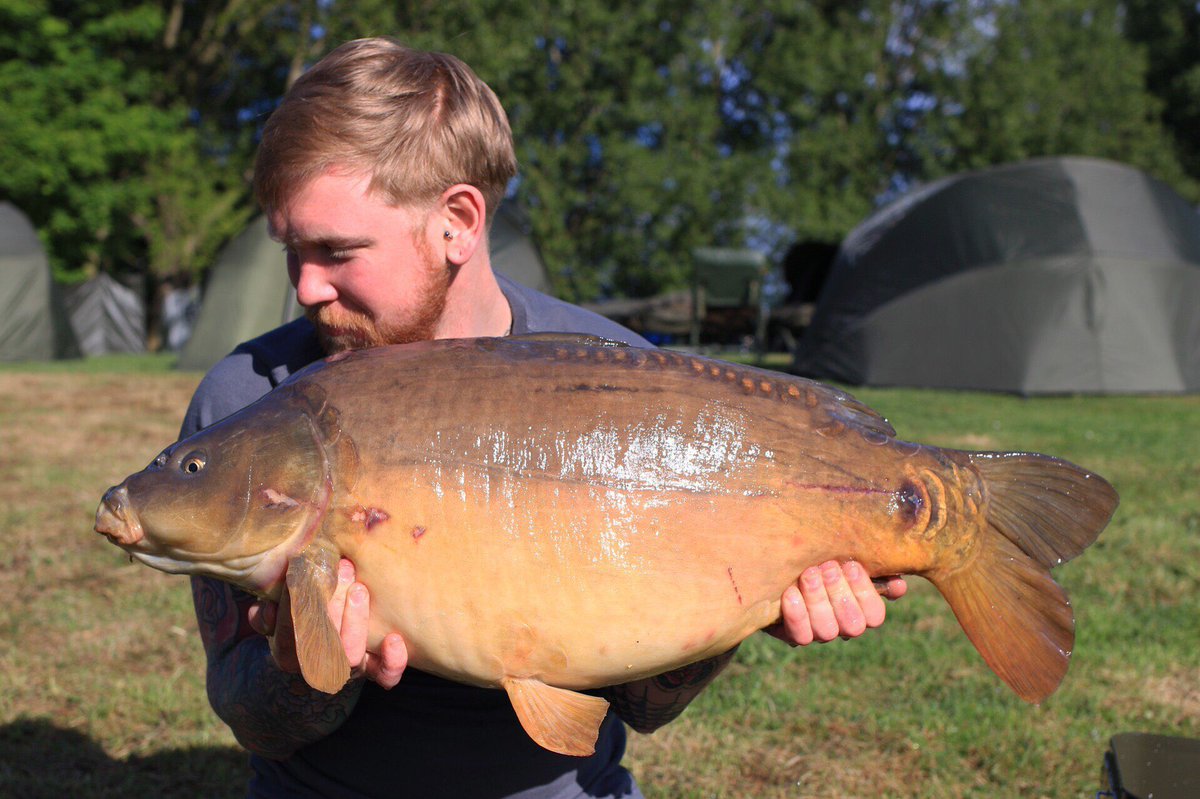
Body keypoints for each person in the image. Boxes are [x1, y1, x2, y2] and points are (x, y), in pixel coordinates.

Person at [183, 37, 907, 799]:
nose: (305, 286)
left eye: (336, 250)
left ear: (457, 220)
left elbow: (642, 705)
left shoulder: (632, 388)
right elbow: (246, 711)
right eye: (291, 250)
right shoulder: (249, 408)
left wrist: (749, 601)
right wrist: (305, 672)